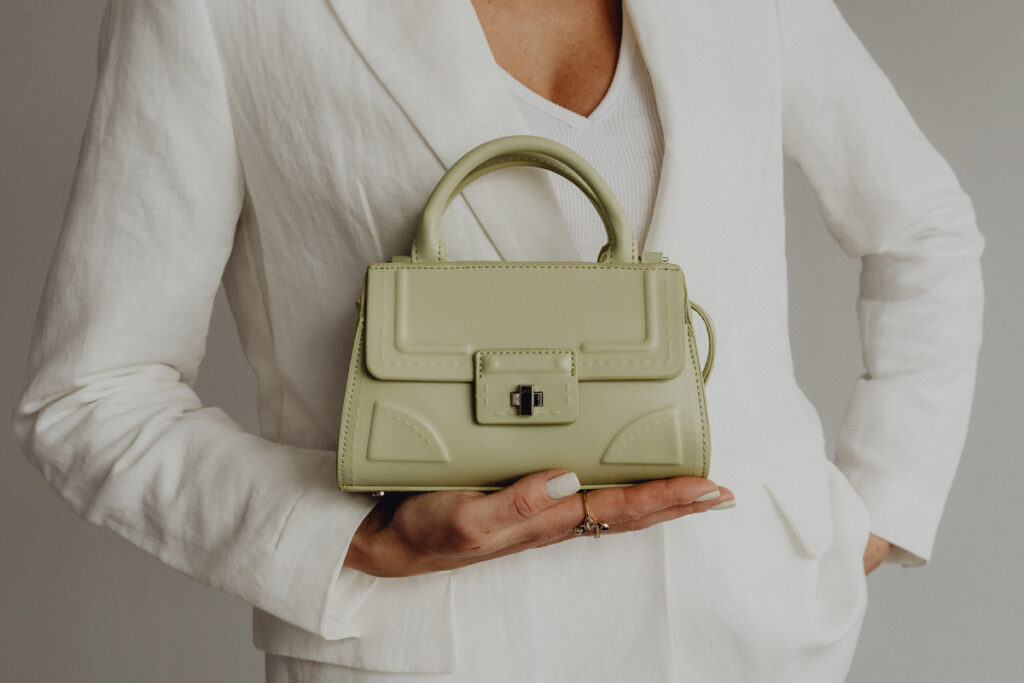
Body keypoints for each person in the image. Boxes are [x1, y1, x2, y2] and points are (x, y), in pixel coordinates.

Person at [13, 0, 983, 681]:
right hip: (429, 650)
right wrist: (352, 537)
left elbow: (922, 230)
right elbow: (92, 393)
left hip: (749, 637)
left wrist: (873, 513)